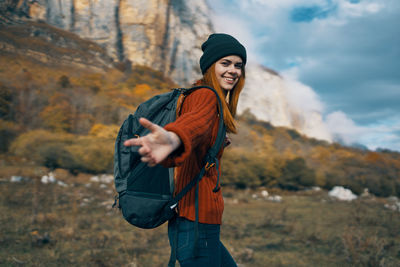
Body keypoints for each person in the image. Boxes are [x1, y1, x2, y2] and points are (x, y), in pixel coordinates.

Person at [124, 33, 246, 267]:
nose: (233, 70)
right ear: (211, 66)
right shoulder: (206, 97)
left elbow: (198, 131)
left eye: (238, 65)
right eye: (225, 63)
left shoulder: (205, 99)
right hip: (196, 222)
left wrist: (217, 141)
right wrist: (172, 138)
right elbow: (191, 125)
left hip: (195, 221)